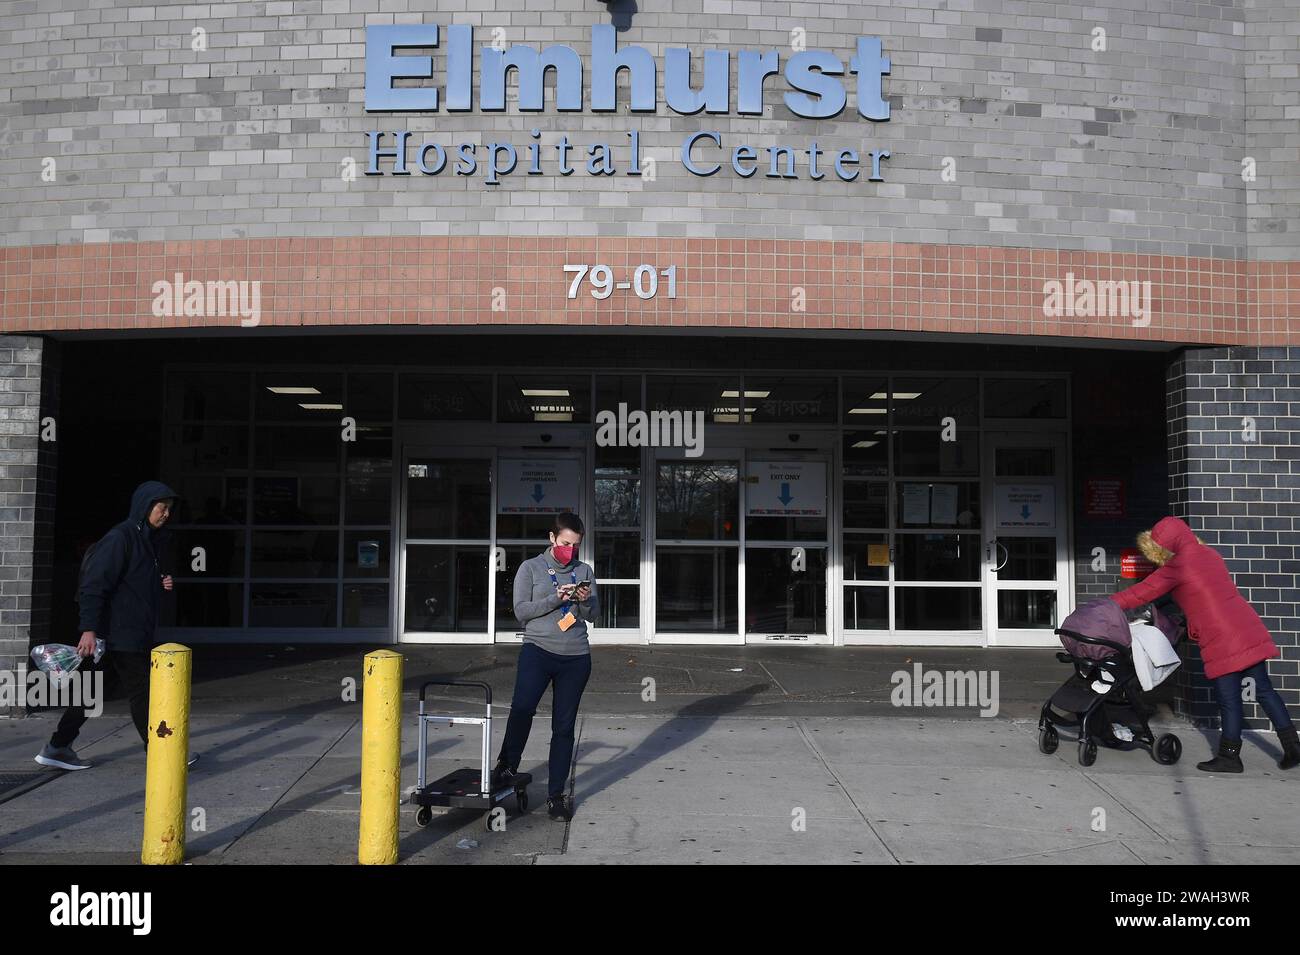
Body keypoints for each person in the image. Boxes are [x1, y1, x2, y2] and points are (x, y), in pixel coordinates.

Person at [1111, 516, 1299, 773]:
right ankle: (1293, 748)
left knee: (1229, 699)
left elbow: (1140, 592)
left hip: (1222, 636)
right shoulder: (1211, 555)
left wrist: (1107, 604)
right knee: (1265, 690)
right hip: (1247, 626)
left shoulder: (1177, 566)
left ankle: (1229, 757)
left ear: (1162, 546)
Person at [35, 481, 183, 771]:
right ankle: (161, 752)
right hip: (117, 634)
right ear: (144, 506)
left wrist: (159, 581)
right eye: (161, 508)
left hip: (124, 633)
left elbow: (130, 584)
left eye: (169, 509)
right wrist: (88, 629)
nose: (166, 514)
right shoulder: (121, 538)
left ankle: (58, 746)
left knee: (90, 693)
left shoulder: (148, 541)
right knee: (144, 692)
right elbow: (94, 585)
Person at [493, 512, 598, 820]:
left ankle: (556, 795)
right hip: (538, 651)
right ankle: (507, 765)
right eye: (565, 543)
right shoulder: (531, 568)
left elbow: (593, 616)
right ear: (552, 538)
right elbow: (521, 612)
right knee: (522, 707)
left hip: (575, 657)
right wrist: (555, 598)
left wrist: (585, 600)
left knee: (563, 728)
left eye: (575, 545)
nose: (570, 550)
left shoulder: (584, 570)